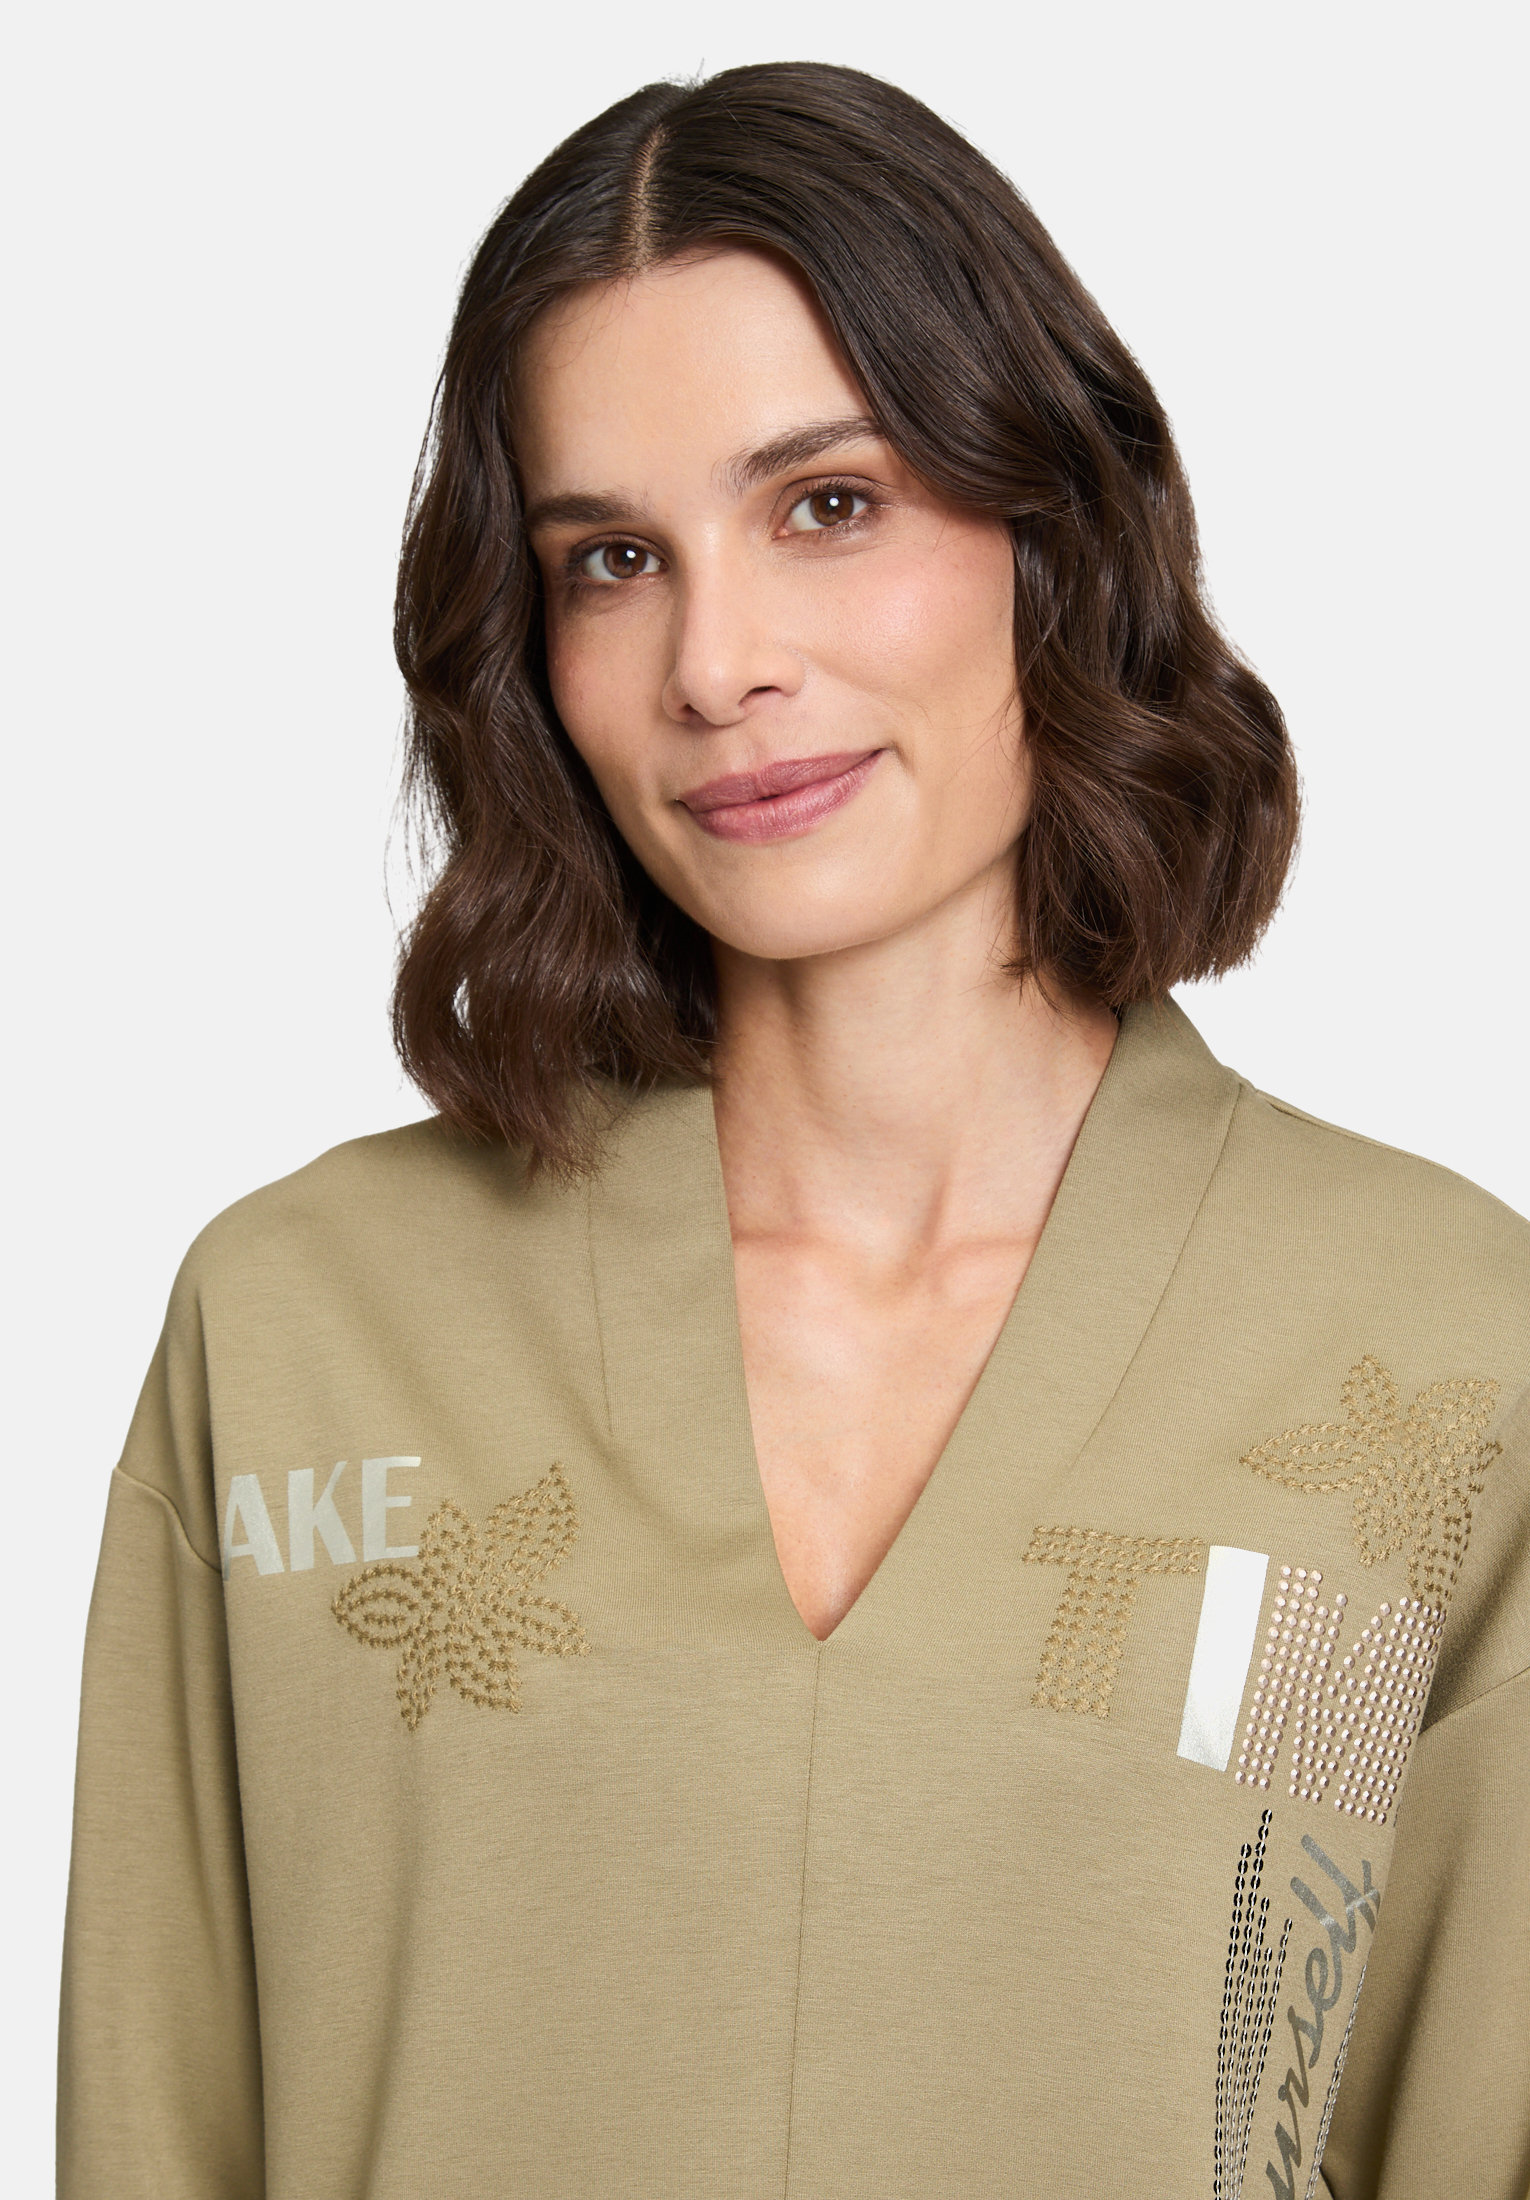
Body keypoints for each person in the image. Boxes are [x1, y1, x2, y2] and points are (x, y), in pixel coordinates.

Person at [58, 61, 1528, 2200]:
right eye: (610, 559)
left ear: (1048, 523)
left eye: (827, 504)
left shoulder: (1443, 1358)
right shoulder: (301, 1334)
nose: (716, 662)